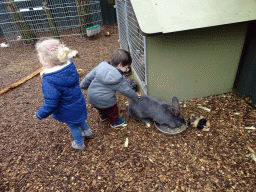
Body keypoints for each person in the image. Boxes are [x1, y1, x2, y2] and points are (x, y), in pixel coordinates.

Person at [33, 37, 92, 151]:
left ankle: (79, 143)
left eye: (39, 56)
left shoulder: (49, 81)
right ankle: (87, 132)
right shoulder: (70, 66)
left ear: (47, 60)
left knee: (73, 125)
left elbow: (51, 103)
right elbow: (59, 73)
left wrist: (40, 114)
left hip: (67, 109)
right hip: (77, 102)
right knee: (79, 119)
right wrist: (46, 72)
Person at [80, 49, 140, 128]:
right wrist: (135, 96)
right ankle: (114, 122)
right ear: (120, 65)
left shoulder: (101, 66)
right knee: (113, 110)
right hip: (105, 100)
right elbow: (127, 91)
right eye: (127, 67)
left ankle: (103, 116)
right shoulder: (118, 78)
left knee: (100, 107)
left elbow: (88, 77)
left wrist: (83, 85)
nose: (127, 70)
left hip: (91, 97)